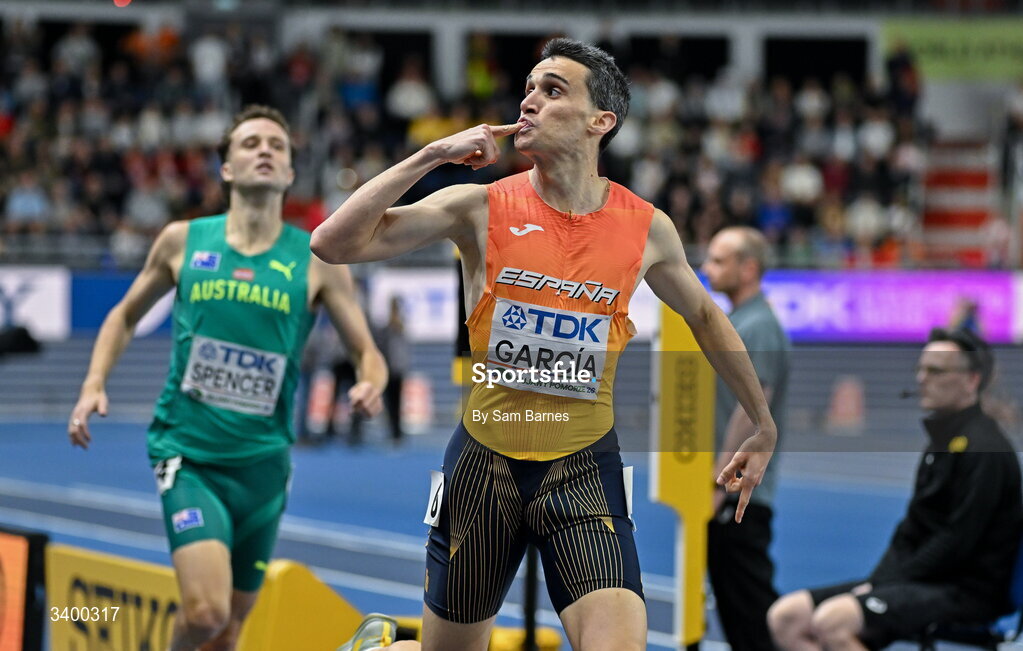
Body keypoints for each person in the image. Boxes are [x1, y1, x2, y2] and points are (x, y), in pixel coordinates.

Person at [315, 39, 776, 651]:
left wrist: (763, 423)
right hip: (483, 469)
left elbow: (707, 319)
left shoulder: (646, 227)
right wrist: (431, 155)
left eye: (553, 90)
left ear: (600, 122)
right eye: (529, 87)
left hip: (583, 470)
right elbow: (332, 243)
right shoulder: (479, 206)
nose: (529, 101)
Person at [68, 105, 387, 651]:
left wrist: (369, 381)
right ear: (226, 169)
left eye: (277, 146)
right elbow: (123, 316)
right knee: (206, 611)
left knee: (229, 631)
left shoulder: (317, 259)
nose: (264, 150)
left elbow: (367, 350)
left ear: (289, 172)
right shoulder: (181, 241)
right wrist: (93, 382)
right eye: (250, 143)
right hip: (190, 454)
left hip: (264, 465)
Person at [768, 328, 1022, 651]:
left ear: (972, 380)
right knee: (786, 617)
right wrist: (877, 581)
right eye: (920, 369)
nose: (921, 379)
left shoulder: (986, 451)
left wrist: (884, 586)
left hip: (966, 591)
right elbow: (911, 528)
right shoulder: (941, 443)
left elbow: (955, 542)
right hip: (924, 580)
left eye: (935, 371)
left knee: (833, 622)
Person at [701, 226, 790, 651]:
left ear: (749, 268)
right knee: (737, 608)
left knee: (750, 613)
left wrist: (719, 483)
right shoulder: (738, 321)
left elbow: (752, 412)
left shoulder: (758, 326)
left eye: (719, 260)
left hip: (740, 495)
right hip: (732, 489)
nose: (707, 268)